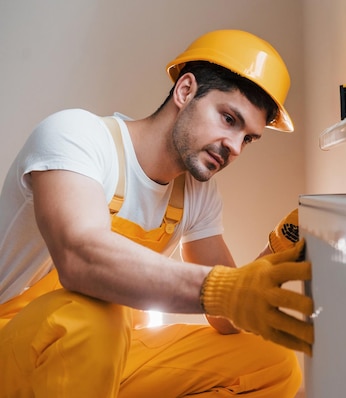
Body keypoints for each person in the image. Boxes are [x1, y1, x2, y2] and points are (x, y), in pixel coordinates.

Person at [0, 29, 312, 397]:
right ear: (185, 90)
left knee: (271, 363)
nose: (236, 148)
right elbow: (79, 257)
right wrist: (218, 289)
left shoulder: (197, 191)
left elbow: (225, 318)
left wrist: (275, 250)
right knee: (95, 315)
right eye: (229, 119)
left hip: (110, 355)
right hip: (20, 344)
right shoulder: (77, 136)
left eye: (248, 138)